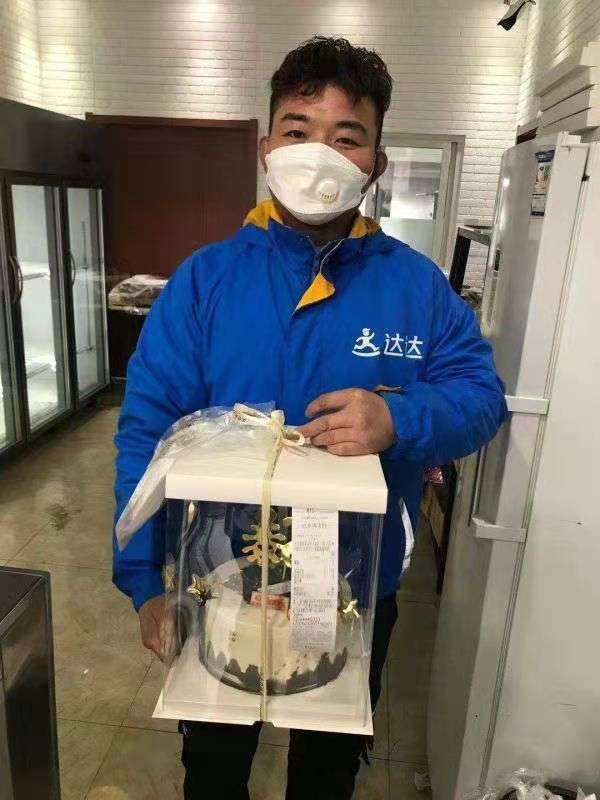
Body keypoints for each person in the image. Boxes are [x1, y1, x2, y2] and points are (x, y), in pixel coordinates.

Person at [113, 36, 508, 800]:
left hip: (354, 586)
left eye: (346, 137)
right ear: (267, 148)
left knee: (327, 768)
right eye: (298, 130)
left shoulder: (416, 288)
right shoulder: (206, 281)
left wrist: (401, 418)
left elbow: (480, 398)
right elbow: (147, 432)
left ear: (376, 163)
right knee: (214, 763)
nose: (319, 154)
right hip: (219, 577)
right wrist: (143, 579)